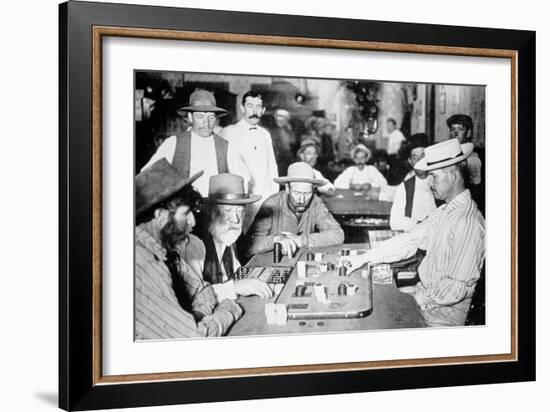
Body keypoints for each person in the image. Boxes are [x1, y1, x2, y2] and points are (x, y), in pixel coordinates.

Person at [345, 139, 485, 327]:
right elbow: (411, 240)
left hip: (440, 317)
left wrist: (418, 297)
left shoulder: (467, 222)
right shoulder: (445, 211)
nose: (430, 182)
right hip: (426, 298)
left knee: (370, 323)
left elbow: (456, 288)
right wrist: (366, 257)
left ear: (452, 175)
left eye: (434, 176)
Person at [134, 159, 242, 340]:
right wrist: (229, 310)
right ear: (160, 216)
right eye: (185, 213)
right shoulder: (142, 261)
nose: (192, 222)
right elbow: (194, 339)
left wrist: (195, 318)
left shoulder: (165, 252)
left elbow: (203, 291)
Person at [141, 89, 250, 197]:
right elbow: (146, 177)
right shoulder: (172, 144)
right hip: (183, 211)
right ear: (190, 117)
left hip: (215, 210)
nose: (206, 123)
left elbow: (243, 179)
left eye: (211, 117)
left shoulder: (227, 147)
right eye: (200, 117)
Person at [192, 173, 273, 300]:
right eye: (227, 211)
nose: (235, 219)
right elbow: (195, 296)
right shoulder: (194, 245)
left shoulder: (226, 236)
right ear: (210, 211)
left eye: (240, 211)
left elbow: (237, 274)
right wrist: (235, 287)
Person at [244, 162, 344, 258]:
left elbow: (337, 234)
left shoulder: (316, 203)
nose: (301, 200)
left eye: (307, 194)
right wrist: (275, 240)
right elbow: (248, 246)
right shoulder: (271, 205)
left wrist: (300, 240)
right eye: (297, 193)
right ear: (287, 188)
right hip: (272, 264)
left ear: (313, 190)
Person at [220, 91, 279, 232]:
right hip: (240, 199)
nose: (254, 111)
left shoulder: (265, 134)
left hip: (264, 198)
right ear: (242, 108)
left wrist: (273, 197)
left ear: (263, 110)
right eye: (250, 106)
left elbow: (272, 167)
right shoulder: (229, 132)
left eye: (258, 107)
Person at [390, 136, 438, 231]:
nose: (420, 161)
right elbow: (394, 222)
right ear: (410, 161)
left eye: (423, 156)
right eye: (415, 158)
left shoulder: (438, 181)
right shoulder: (405, 187)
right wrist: (418, 224)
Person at [270, 108, 297, 176]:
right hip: (278, 160)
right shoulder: (271, 132)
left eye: (284, 118)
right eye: (278, 117)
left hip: (288, 160)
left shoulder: (289, 131)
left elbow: (293, 142)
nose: (279, 119)